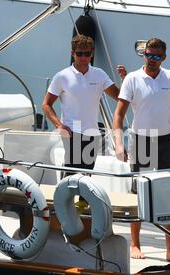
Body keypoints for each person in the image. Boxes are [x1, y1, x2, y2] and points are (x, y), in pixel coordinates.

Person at [112, 38, 170, 261]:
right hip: (141, 141)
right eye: (149, 55)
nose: (152, 60)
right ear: (144, 55)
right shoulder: (132, 78)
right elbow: (119, 114)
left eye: (157, 56)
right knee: (139, 193)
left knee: (169, 192)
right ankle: (135, 244)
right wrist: (119, 144)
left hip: (165, 142)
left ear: (164, 58)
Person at [42, 34, 126, 174]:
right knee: (73, 175)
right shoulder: (62, 76)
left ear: (91, 54)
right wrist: (59, 125)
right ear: (73, 54)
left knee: (86, 176)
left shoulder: (99, 74)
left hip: (92, 133)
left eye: (87, 54)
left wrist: (124, 80)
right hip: (71, 133)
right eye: (79, 53)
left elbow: (119, 97)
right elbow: (46, 105)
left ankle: (82, 197)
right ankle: (65, 196)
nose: (83, 57)